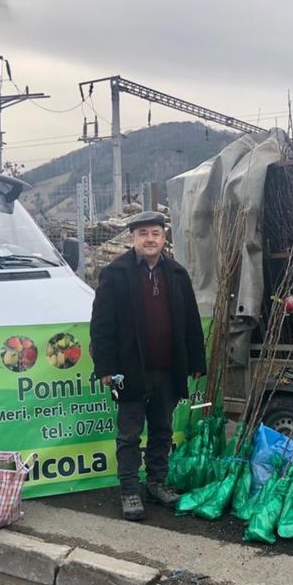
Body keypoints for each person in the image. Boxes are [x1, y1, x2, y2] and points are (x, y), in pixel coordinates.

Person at [89, 211, 206, 520]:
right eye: (143, 234)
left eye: (155, 233)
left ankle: (157, 483)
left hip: (168, 369)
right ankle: (129, 489)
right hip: (127, 371)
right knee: (129, 433)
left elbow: (191, 321)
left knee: (162, 429)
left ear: (163, 238)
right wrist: (104, 368)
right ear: (133, 239)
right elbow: (101, 325)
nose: (150, 239)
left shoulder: (177, 274)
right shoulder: (115, 273)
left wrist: (196, 360)